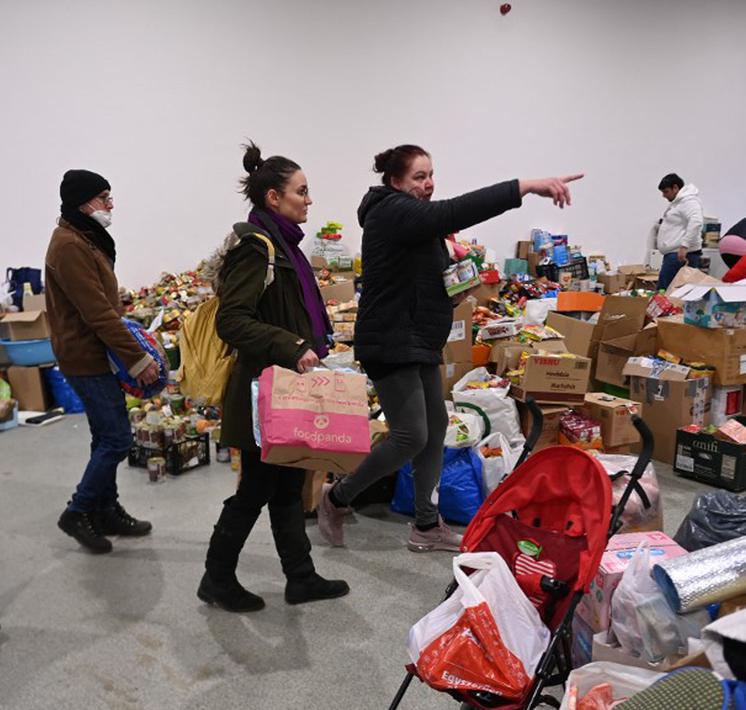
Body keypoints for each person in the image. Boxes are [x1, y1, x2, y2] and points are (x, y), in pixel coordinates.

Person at [317, 144, 583, 551]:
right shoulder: (390, 211)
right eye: (419, 177)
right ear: (395, 182)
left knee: (435, 427)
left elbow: (426, 277)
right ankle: (336, 498)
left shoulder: (412, 221)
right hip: (390, 342)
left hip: (418, 340)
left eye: (430, 174)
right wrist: (525, 187)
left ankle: (425, 524)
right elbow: (453, 210)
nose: (428, 184)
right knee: (410, 436)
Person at [197, 143, 349, 613]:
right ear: (273, 198)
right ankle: (216, 579)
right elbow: (233, 321)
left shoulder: (284, 245)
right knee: (256, 490)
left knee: (286, 486)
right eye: (301, 192)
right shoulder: (256, 246)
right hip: (262, 392)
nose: (309, 200)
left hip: (286, 387)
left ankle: (299, 577)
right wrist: (294, 345)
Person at [46, 170, 160, 553]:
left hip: (96, 353)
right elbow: (96, 314)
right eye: (103, 198)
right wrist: (137, 358)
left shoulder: (84, 238)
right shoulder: (69, 246)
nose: (111, 205)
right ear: (82, 203)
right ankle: (78, 511)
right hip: (86, 356)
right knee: (116, 438)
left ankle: (106, 510)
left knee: (103, 435)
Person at [654, 173, 704, 290]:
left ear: (675, 188)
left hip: (679, 254)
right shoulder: (679, 203)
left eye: (666, 191)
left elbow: (696, 222)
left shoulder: (689, 202)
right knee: (667, 291)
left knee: (666, 291)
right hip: (674, 253)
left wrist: (684, 246)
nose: (663, 195)